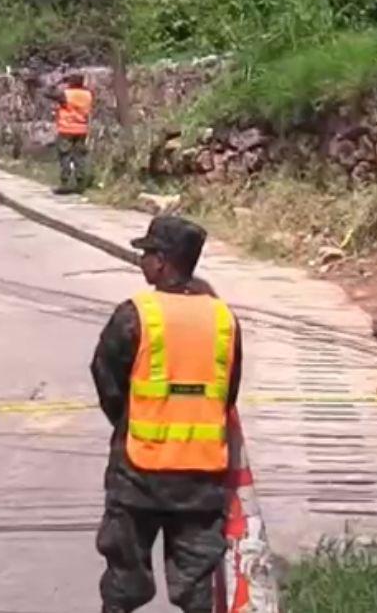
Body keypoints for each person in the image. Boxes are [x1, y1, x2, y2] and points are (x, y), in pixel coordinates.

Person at [91, 215, 242, 613]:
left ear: (162, 262)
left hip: (138, 473)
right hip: (200, 476)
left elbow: (106, 378)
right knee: (196, 588)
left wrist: (133, 421)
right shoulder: (224, 319)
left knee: (123, 583)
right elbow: (228, 392)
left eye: (146, 254)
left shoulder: (135, 314)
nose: (142, 262)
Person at [46, 72, 94, 194]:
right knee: (79, 156)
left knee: (65, 156)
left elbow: (47, 92)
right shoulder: (88, 95)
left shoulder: (66, 94)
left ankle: (65, 183)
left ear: (70, 82)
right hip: (82, 129)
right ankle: (80, 183)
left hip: (66, 129)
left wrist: (59, 81)